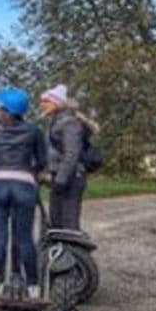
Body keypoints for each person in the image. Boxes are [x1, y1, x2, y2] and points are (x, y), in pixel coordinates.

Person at [0, 89, 47, 299]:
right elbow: (42, 161)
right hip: (24, 185)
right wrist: (31, 172)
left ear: (7, 111)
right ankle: (33, 288)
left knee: (0, 235)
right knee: (25, 238)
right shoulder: (34, 130)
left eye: (1, 107)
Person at [39, 84, 91, 230]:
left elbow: (71, 154)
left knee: (69, 222)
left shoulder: (69, 122)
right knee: (56, 220)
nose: (42, 105)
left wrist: (61, 180)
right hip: (60, 177)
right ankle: (60, 251)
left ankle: (72, 252)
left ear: (56, 103)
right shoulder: (55, 121)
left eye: (46, 101)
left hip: (72, 178)